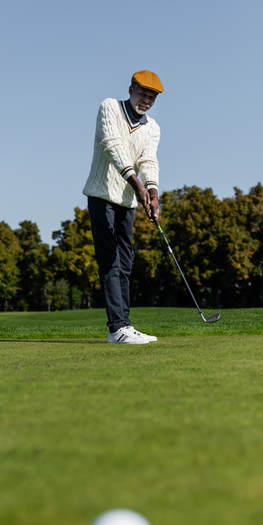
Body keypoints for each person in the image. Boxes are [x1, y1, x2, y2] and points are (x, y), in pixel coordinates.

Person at [83, 70, 164, 344]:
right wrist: (137, 186)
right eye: (143, 94)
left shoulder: (152, 128)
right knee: (110, 263)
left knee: (126, 264)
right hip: (101, 196)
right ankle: (116, 328)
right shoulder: (109, 107)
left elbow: (149, 160)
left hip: (127, 203)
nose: (147, 101)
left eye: (151, 98)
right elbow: (113, 146)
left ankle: (125, 326)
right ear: (131, 89)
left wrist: (153, 194)